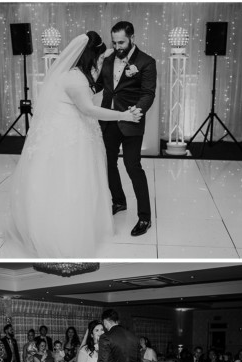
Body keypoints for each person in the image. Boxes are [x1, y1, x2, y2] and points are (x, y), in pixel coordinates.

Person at [6, 31, 142, 257]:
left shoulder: (76, 73)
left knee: (80, 179)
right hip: (69, 135)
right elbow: (88, 109)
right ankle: (64, 232)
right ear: (89, 55)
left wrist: (109, 52)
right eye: (98, 58)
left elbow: (92, 89)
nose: (100, 62)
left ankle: (85, 223)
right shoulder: (74, 78)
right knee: (70, 181)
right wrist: (123, 115)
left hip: (75, 129)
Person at [95, 21, 157, 237]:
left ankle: (145, 217)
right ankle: (119, 202)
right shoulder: (109, 58)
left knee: (133, 166)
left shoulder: (146, 62)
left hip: (131, 120)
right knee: (108, 163)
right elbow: (102, 86)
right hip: (109, 120)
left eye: (121, 41)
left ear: (132, 38)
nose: (117, 45)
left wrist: (138, 110)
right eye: (114, 41)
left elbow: (148, 92)